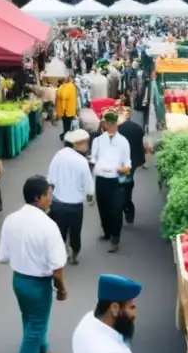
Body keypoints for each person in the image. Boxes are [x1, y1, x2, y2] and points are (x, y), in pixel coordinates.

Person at [0, 176, 68, 353]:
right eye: (48, 194)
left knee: (30, 320)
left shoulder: (11, 220)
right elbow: (57, 268)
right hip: (39, 285)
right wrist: (62, 289)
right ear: (38, 198)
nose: (51, 198)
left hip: (18, 281)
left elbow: (3, 257)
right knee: (35, 328)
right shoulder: (48, 226)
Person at [48, 129, 95, 264]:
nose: (86, 146)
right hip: (75, 204)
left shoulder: (58, 155)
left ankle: (59, 254)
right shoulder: (81, 161)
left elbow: (50, 179)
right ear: (76, 144)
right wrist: (90, 196)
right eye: (84, 143)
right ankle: (74, 253)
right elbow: (88, 185)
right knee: (75, 232)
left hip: (58, 203)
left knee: (59, 232)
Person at [90, 110, 131, 254]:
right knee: (103, 208)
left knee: (115, 210)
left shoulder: (123, 142)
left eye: (114, 123)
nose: (111, 126)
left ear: (117, 124)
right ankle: (106, 231)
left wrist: (124, 169)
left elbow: (127, 162)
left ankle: (115, 238)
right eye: (109, 123)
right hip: (101, 179)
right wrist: (94, 164)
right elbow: (93, 157)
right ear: (104, 124)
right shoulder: (98, 140)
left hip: (116, 180)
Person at [117, 113, 147, 225]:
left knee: (121, 182)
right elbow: (144, 144)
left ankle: (124, 205)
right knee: (128, 180)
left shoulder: (117, 130)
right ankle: (128, 205)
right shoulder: (137, 127)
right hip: (134, 160)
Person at [57, 74, 78, 139]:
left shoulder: (67, 86)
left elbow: (63, 97)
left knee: (66, 124)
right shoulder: (68, 86)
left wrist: (64, 108)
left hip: (66, 109)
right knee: (67, 124)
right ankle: (66, 135)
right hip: (68, 110)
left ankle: (66, 136)